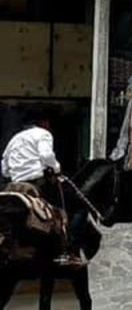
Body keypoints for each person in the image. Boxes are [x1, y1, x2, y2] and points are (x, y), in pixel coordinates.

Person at [1, 113, 85, 268]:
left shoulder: (14, 139)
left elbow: (4, 170)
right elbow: (46, 155)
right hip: (37, 184)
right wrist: (56, 169)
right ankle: (68, 250)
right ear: (43, 122)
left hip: (14, 185)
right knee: (76, 207)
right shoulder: (43, 134)